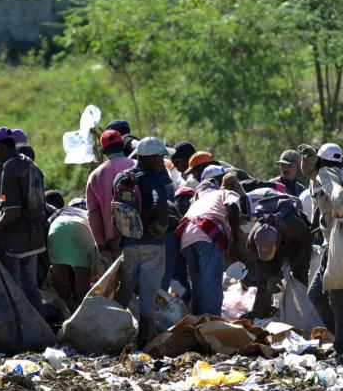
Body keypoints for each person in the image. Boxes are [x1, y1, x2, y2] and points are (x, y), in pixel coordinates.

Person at [304, 143, 343, 363]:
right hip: (334, 245)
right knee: (317, 294)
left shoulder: (333, 180)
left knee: (338, 300)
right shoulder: (331, 178)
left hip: (340, 246)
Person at [0, 127, 46, 315]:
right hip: (34, 238)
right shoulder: (30, 163)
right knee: (31, 288)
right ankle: (41, 330)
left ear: (1, 147)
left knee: (14, 288)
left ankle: (23, 332)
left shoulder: (9, 169)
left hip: (15, 242)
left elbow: (13, 212)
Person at [113, 137, 172, 348]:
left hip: (129, 244)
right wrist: (162, 225)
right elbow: (160, 202)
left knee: (125, 292)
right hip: (152, 246)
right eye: (161, 157)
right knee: (148, 297)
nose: (162, 162)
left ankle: (113, 336)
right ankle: (143, 343)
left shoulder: (122, 177)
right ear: (152, 157)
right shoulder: (154, 178)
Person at [176, 171, 242, 316]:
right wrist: (236, 240)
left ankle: (198, 323)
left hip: (186, 237)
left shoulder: (198, 200)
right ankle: (211, 324)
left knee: (198, 284)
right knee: (211, 283)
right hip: (208, 233)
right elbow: (232, 206)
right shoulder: (226, 193)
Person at [245, 193, 313, 318]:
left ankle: (303, 311)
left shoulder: (295, 226)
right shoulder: (253, 240)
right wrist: (271, 276)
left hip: (298, 241)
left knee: (300, 277)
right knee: (264, 280)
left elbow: (307, 240)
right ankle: (261, 312)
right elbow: (262, 264)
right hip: (278, 241)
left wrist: (295, 268)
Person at [86, 130, 136, 265]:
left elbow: (93, 214)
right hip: (139, 235)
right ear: (121, 146)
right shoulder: (136, 166)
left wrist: (101, 245)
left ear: (103, 151)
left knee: (123, 283)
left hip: (114, 240)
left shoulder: (94, 176)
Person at [47, 205, 94, 310]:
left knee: (62, 286)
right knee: (83, 289)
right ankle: (82, 315)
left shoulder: (60, 210)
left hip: (57, 228)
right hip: (80, 229)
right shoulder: (86, 211)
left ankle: (67, 314)